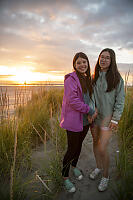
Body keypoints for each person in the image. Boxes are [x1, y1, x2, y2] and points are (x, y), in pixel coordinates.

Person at [60, 52, 97, 193]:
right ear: (74, 65)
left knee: (79, 146)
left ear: (88, 63)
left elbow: (89, 97)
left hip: (85, 121)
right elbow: (73, 101)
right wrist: (90, 111)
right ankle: (65, 177)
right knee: (71, 149)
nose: (82, 65)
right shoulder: (71, 79)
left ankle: (74, 168)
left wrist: (91, 111)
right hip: (74, 121)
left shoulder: (87, 79)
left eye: (84, 62)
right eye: (79, 63)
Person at [89, 48, 125, 192]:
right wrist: (92, 110)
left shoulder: (117, 79)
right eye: (101, 57)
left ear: (112, 61)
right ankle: (98, 167)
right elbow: (91, 97)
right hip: (95, 119)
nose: (103, 60)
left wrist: (115, 119)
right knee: (95, 144)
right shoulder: (94, 76)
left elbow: (120, 101)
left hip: (108, 120)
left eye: (107, 58)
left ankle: (106, 176)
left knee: (103, 147)